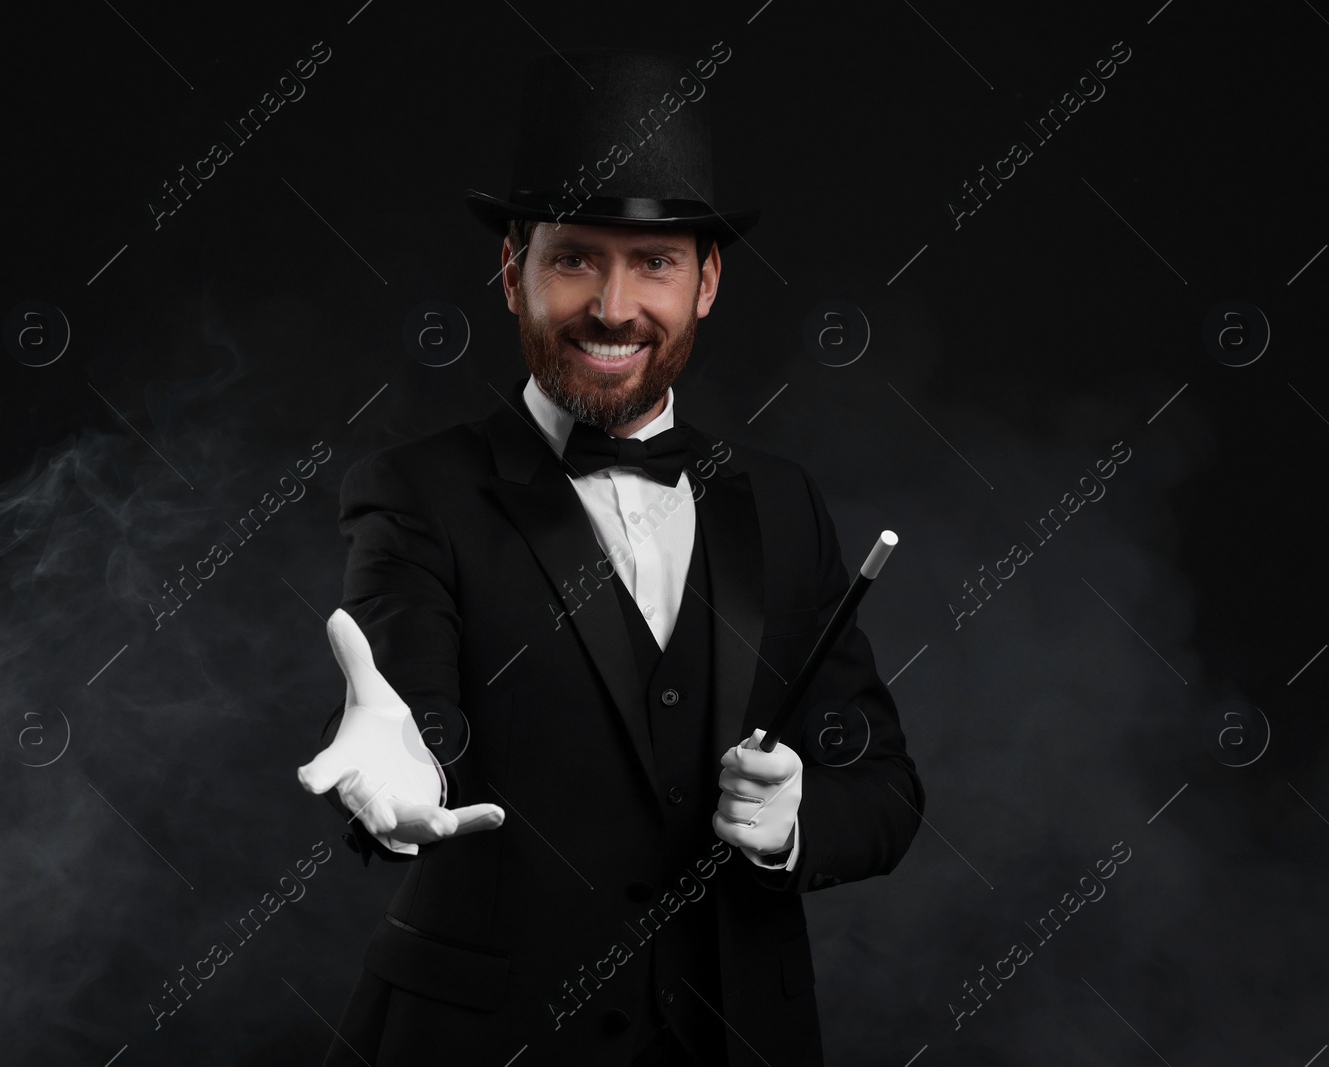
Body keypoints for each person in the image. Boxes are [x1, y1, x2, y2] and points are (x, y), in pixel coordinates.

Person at [299, 48, 925, 1067]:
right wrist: (395, 760)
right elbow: (406, 701)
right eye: (576, 258)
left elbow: (886, 790)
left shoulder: (780, 501)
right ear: (514, 271)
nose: (615, 305)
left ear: (707, 280)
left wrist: (794, 817)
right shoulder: (416, 491)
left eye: (655, 262)